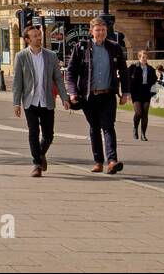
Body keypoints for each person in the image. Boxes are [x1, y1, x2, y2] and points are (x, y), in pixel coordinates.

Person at [65, 16, 130, 174]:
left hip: (108, 94)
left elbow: (124, 71)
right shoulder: (81, 47)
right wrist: (72, 93)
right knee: (94, 127)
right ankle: (98, 161)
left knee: (108, 127)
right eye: (98, 30)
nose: (101, 33)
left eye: (103, 30)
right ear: (91, 31)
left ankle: (112, 161)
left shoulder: (114, 47)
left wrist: (125, 92)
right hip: (89, 96)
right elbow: (71, 72)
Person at [12, 24, 71, 176]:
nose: (38, 38)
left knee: (49, 134)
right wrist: (16, 103)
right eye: (35, 36)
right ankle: (36, 164)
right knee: (33, 131)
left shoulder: (51, 55)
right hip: (30, 100)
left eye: (39, 35)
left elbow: (58, 78)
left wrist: (65, 98)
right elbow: (18, 81)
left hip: (47, 100)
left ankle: (41, 153)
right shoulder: (21, 56)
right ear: (27, 40)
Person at [127, 50, 156, 141]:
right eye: (143, 57)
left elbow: (154, 81)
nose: (144, 59)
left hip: (146, 92)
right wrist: (128, 93)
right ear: (139, 57)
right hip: (136, 92)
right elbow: (128, 80)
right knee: (138, 113)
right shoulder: (133, 67)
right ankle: (135, 127)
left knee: (145, 113)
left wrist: (153, 93)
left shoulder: (151, 69)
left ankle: (143, 134)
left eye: (146, 57)